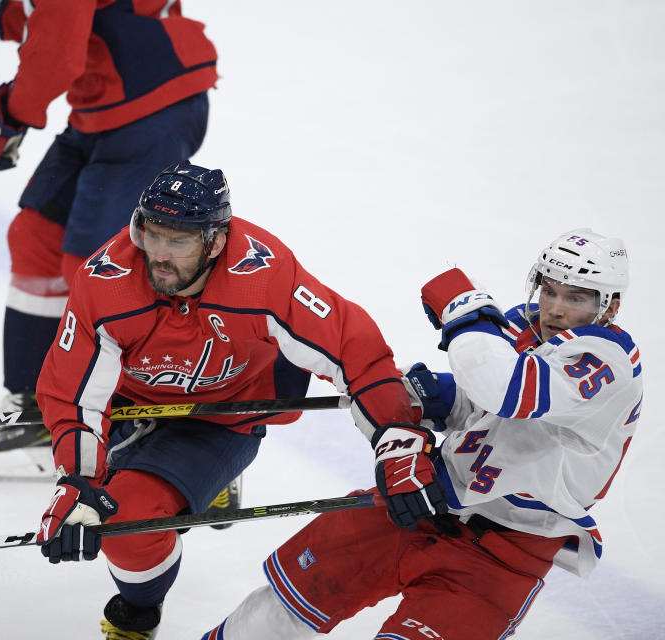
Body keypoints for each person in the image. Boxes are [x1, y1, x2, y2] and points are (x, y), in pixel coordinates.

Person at [32, 162, 423, 638]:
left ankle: (138, 612)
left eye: (178, 242)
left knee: (128, 520)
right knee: (103, 508)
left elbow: (352, 347)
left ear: (215, 242)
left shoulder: (263, 276)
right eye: (150, 235)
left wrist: (397, 435)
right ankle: (197, 491)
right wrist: (76, 479)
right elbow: (70, 393)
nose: (158, 254)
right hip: (133, 403)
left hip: (223, 417)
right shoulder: (105, 279)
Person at [200, 228, 642, 640]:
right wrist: (432, 396)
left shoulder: (606, 360)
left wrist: (464, 313)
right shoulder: (525, 324)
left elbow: (506, 389)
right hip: (421, 502)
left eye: (577, 297)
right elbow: (481, 403)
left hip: (503, 551)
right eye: (549, 290)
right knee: (273, 613)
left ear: (611, 306)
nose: (557, 309)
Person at [0, 0, 219, 481]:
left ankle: (189, 443)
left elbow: (57, 48)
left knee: (106, 271)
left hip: (148, 104)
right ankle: (39, 415)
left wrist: (10, 111)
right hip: (106, 105)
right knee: (38, 239)